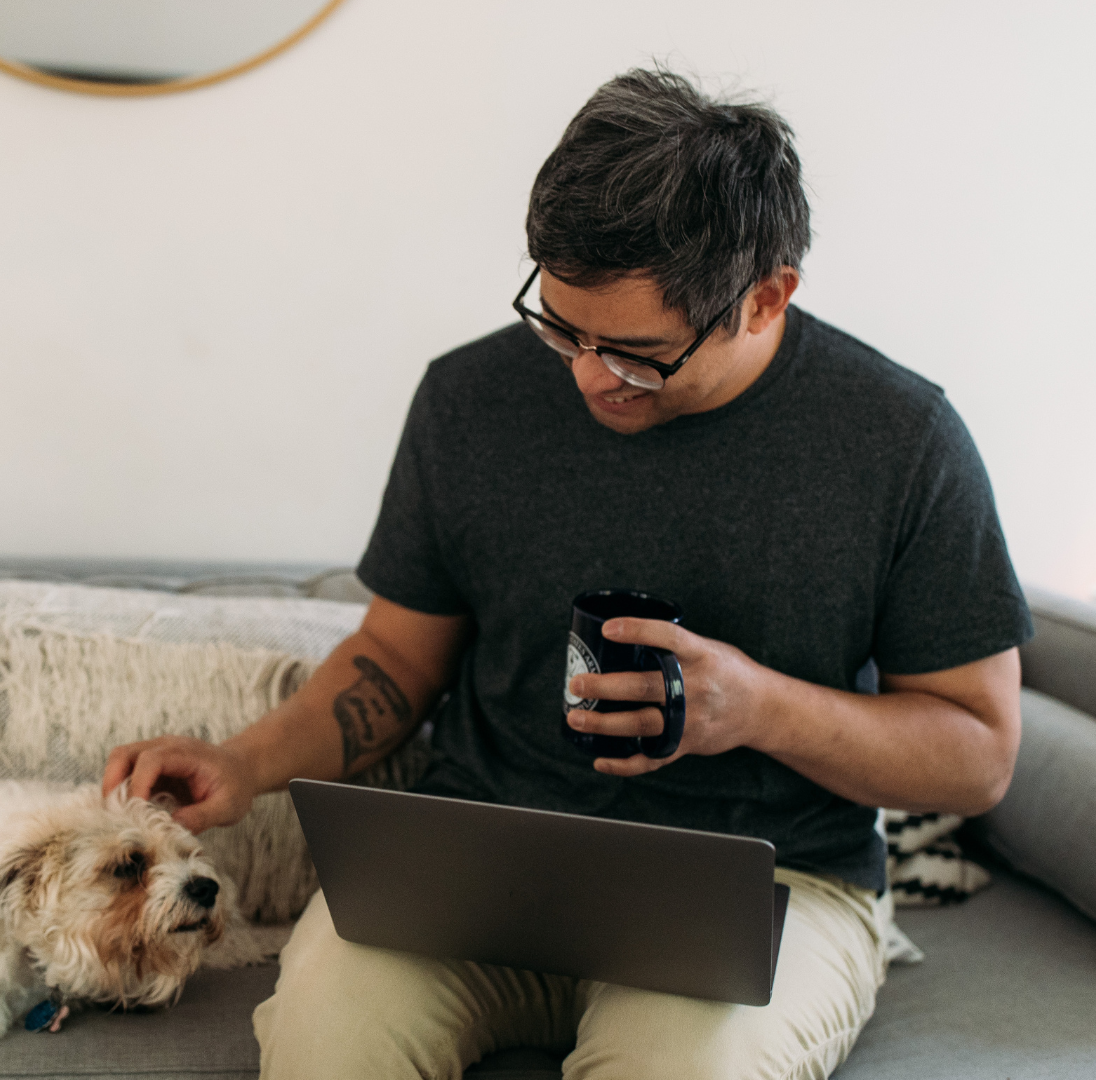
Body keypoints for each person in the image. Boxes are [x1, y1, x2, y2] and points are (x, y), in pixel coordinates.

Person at [103, 68, 1032, 1080]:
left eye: (639, 354)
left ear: (766, 297)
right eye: (559, 325)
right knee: (328, 1046)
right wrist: (243, 765)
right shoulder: (470, 399)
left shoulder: (902, 441)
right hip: (471, 870)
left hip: (772, 885)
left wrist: (754, 708)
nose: (590, 377)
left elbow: (977, 753)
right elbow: (392, 658)